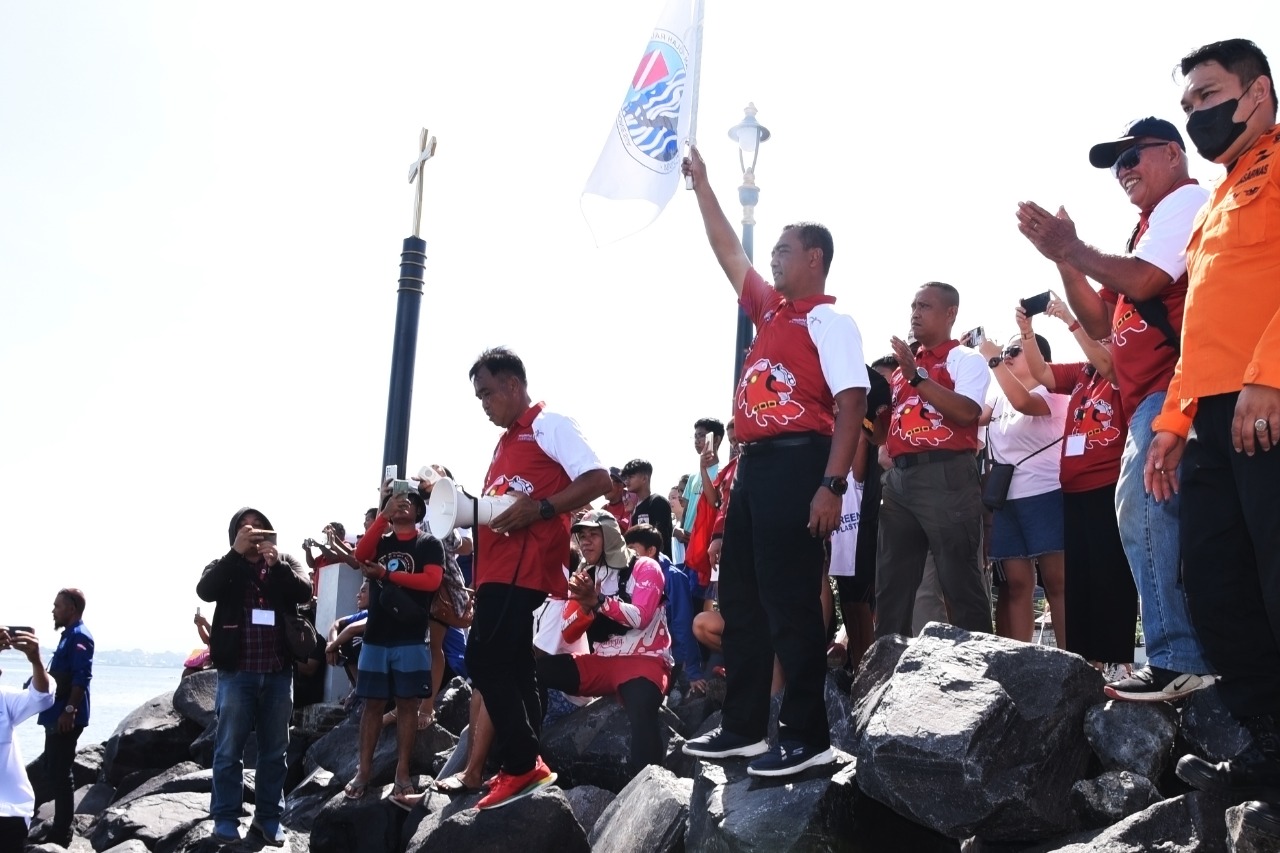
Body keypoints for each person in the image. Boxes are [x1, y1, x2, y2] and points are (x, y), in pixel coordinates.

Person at [680, 146, 869, 777]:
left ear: (814, 257)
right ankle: (743, 730)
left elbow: (851, 403)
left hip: (800, 462)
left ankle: (808, 736)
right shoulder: (771, 312)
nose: (772, 259)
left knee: (791, 602)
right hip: (755, 468)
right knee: (740, 600)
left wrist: (831, 484)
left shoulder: (830, 322)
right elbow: (728, 252)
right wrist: (704, 187)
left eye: (784, 250)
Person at [1135, 39, 1280, 831]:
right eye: (1187, 104)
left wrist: (1271, 371)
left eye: (1209, 95)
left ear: (1257, 93)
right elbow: (1199, 326)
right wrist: (1173, 421)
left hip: (1272, 400)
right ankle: (1269, 743)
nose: (1197, 113)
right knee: (1218, 582)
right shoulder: (1217, 200)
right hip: (1213, 416)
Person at [1018, 113, 1212, 701]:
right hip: (1146, 397)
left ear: (1173, 153)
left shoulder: (1185, 200)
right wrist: (1064, 258)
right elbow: (1102, 319)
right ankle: (1186, 656)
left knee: (1144, 511)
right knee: (1155, 516)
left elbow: (1147, 282)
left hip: (1171, 388)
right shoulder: (1144, 230)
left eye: (1133, 155)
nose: (1123, 169)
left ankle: (1176, 658)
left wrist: (1072, 246)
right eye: (1116, 164)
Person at [465, 346, 610, 809]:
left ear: (513, 385)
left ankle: (522, 763)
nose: (484, 404)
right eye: (479, 397)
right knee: (514, 664)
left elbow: (599, 479)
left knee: (483, 660)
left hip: (521, 571)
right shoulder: (504, 444)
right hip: (498, 572)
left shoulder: (548, 425)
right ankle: (528, 764)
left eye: (487, 393)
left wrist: (543, 508)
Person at [1016, 297, 1135, 669]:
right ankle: (1089, 662)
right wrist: (1027, 332)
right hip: (1073, 486)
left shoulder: (1121, 366)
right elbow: (1041, 373)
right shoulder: (1084, 373)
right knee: (1080, 580)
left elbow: (1109, 365)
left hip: (1107, 483)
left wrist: (1071, 320)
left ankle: (1118, 661)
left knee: (1110, 573)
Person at [876, 283, 993, 639]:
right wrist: (869, 415)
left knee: (960, 580)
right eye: (913, 306)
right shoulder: (901, 371)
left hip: (946, 474)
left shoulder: (965, 359)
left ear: (950, 313)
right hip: (899, 479)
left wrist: (917, 376)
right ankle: (888, 660)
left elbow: (967, 411)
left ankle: (980, 661)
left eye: (925, 306)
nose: (915, 313)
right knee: (891, 584)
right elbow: (883, 435)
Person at [197, 509, 310, 846]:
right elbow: (206, 590)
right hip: (237, 672)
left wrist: (278, 566)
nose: (254, 532)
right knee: (228, 749)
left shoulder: (284, 562)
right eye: (246, 527)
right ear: (235, 533)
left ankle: (268, 818)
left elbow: (304, 592)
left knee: (275, 750)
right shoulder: (224, 564)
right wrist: (235, 553)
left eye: (260, 526)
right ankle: (225, 818)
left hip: (278, 672)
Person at [539, 511, 672, 774]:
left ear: (610, 536)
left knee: (641, 708)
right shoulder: (585, 574)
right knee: (532, 672)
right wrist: (585, 609)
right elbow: (568, 633)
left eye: (593, 534)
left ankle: (649, 786)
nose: (585, 542)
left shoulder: (645, 566)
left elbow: (642, 617)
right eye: (581, 536)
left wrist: (599, 602)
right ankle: (527, 760)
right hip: (600, 663)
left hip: (645, 662)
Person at [344, 489, 443, 808]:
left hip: (411, 636)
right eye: (396, 501)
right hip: (376, 635)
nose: (402, 505)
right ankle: (363, 771)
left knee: (406, 705)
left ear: (419, 511)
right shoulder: (381, 540)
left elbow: (432, 581)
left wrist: (387, 574)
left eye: (409, 502)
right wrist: (382, 516)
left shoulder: (429, 543)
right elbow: (360, 555)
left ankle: (402, 771)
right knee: (372, 704)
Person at [978, 333, 1070, 646]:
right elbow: (973, 416)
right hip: (1007, 499)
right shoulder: (997, 397)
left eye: (1015, 350)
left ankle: (1071, 660)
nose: (1007, 355)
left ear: (1038, 356)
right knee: (1016, 585)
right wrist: (964, 361)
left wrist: (993, 360)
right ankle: (1019, 661)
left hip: (1047, 494)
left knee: (1057, 583)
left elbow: (1024, 403)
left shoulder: (1054, 390)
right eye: (1004, 351)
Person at [32, 589, 93, 849]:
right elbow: (61, 674)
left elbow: (82, 676)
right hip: (56, 714)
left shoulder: (80, 636)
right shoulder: (68, 635)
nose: (53, 610)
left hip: (67, 717)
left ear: (71, 608)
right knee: (52, 768)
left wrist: (70, 710)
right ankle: (59, 826)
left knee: (60, 771)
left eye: (57, 606)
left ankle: (62, 832)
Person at [625, 523, 704, 694]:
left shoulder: (673, 578)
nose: (627, 555)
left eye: (632, 549)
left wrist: (693, 671)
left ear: (651, 551)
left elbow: (682, 624)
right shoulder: (631, 575)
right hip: (644, 653)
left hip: (672, 658)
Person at [621, 459, 674, 558]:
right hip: (642, 563)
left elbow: (661, 539)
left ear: (644, 478)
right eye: (626, 478)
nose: (627, 481)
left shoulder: (657, 501)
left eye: (631, 477)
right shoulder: (636, 509)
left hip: (658, 563)